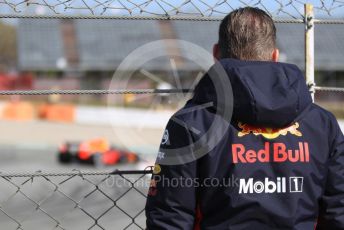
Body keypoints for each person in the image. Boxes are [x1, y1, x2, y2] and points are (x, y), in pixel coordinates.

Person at [145, 7, 344, 230]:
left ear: (215, 53)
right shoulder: (323, 124)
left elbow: (170, 217)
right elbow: (338, 211)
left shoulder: (189, 123)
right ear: (275, 56)